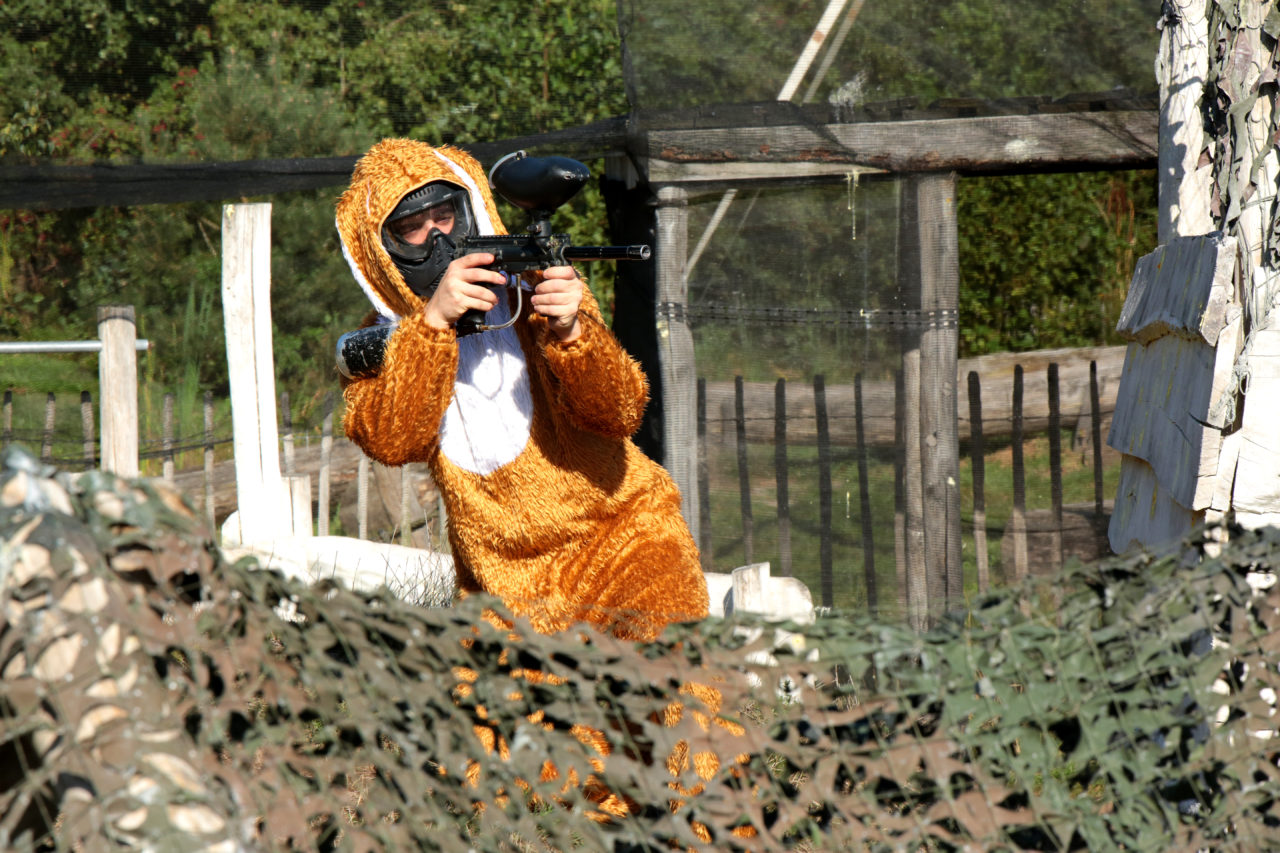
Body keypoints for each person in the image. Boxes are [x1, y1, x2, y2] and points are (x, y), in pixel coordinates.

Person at [335, 139, 708, 640]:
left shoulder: (535, 288)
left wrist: (574, 333)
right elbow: (389, 440)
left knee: (678, 694)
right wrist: (431, 327)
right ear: (383, 251)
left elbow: (621, 411)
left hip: (622, 539)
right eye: (410, 228)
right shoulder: (382, 340)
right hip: (500, 585)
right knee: (496, 716)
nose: (435, 237)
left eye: (444, 215)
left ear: (470, 209)